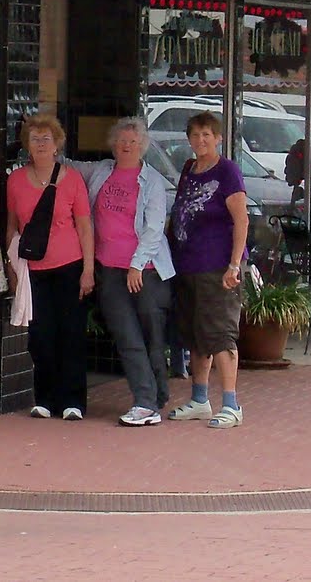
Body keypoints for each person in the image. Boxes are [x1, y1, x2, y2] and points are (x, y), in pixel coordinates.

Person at [81, 117, 176, 427]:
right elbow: (67, 165)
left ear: (142, 146)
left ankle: (158, 395)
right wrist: (43, 143)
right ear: (113, 144)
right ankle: (145, 402)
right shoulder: (102, 171)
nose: (126, 146)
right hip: (109, 269)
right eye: (121, 140)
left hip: (146, 272)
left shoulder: (152, 181)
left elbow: (154, 227)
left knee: (152, 338)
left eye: (133, 142)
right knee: (127, 336)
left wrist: (136, 264)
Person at [5, 114, 94, 421]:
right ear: (27, 145)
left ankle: (73, 401)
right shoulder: (15, 180)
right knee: (40, 335)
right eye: (35, 139)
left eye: (46, 139)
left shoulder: (73, 179)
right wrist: (12, 268)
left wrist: (88, 270)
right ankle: (45, 398)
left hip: (70, 264)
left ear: (57, 144)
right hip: (32, 269)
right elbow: (12, 227)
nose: (41, 144)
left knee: (71, 333)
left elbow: (84, 227)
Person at [166, 111, 248, 429]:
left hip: (218, 266)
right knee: (196, 335)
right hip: (188, 264)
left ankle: (231, 404)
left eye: (206, 135)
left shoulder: (227, 171)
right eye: (195, 135)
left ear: (218, 138)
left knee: (220, 333)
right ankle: (200, 399)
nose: (200, 140)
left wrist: (234, 264)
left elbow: (241, 219)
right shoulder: (189, 168)